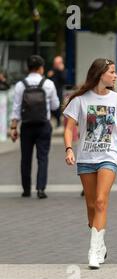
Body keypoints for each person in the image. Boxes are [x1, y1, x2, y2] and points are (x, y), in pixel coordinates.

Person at [63, 58, 117, 269]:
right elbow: (69, 128)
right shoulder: (80, 100)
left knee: (101, 201)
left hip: (109, 157)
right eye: (112, 72)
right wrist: (69, 149)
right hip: (85, 158)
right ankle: (100, 243)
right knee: (91, 208)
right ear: (101, 74)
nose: (115, 75)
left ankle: (93, 251)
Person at [9, 55, 60, 199]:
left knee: (25, 158)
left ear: (28, 68)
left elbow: (16, 108)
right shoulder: (48, 84)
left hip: (26, 126)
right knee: (42, 157)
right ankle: (40, 189)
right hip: (44, 125)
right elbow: (56, 105)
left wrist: (13, 128)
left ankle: (26, 189)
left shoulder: (20, 85)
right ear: (41, 68)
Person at [47, 56, 66, 128]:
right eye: (55, 63)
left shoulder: (62, 70)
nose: (56, 64)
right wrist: (49, 75)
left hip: (58, 90)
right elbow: (48, 78)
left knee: (58, 106)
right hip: (50, 90)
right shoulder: (52, 69)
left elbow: (64, 80)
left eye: (57, 63)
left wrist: (61, 71)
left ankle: (58, 121)